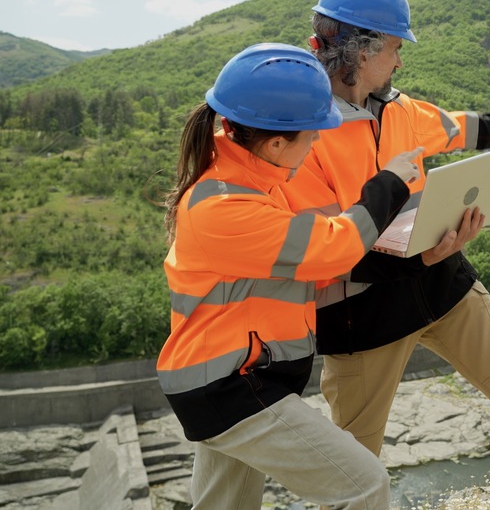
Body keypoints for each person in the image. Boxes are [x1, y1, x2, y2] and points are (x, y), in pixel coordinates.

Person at [283, 0, 490, 510]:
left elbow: (456, 127)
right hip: (362, 316)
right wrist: (418, 258)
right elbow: (325, 250)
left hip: (444, 286)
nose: (400, 61)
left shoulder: (399, 109)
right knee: (356, 462)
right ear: (359, 52)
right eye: (393, 48)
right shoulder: (301, 135)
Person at [156, 42, 423, 510]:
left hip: (224, 381)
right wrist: (391, 183)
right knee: (363, 484)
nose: (317, 142)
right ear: (277, 142)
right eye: (312, 134)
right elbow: (334, 247)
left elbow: (314, 265)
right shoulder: (227, 207)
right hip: (232, 384)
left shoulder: (253, 184)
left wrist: (418, 255)